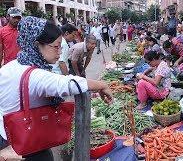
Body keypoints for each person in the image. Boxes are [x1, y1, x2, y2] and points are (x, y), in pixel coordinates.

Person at [0, 16, 112, 160]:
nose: (60, 52)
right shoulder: (36, 75)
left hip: (6, 132)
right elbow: (70, 84)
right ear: (36, 44)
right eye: (56, 46)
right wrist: (103, 85)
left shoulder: (12, 65)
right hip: (27, 141)